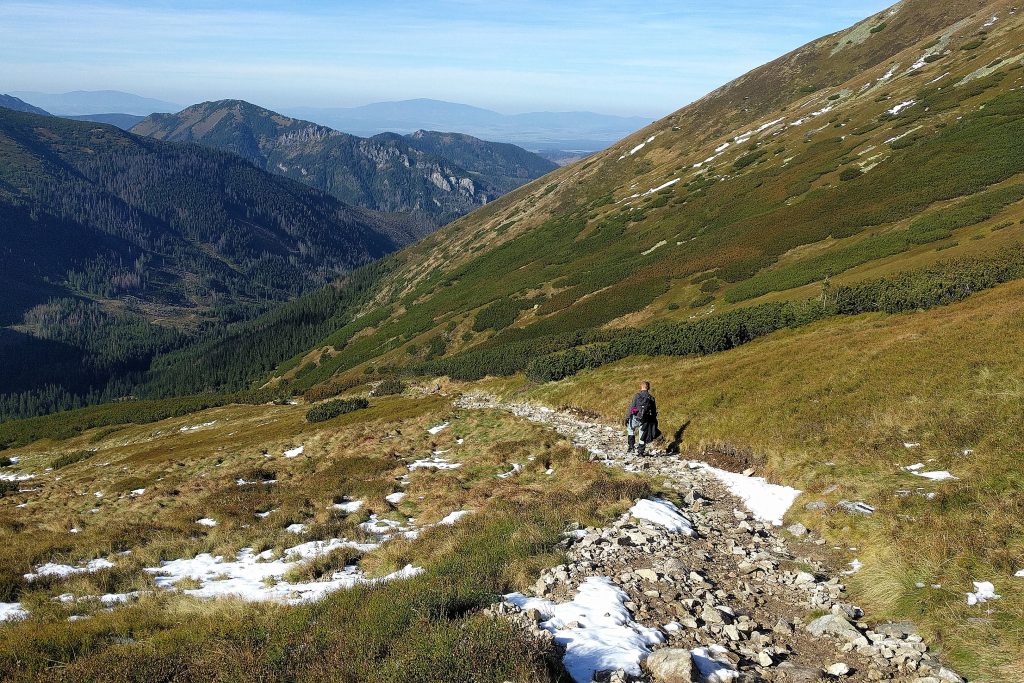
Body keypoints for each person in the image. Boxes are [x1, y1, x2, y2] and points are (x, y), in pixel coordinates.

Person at [625, 381, 659, 456]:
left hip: (635, 417)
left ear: (641, 387)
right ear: (648, 388)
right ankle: (640, 452)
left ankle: (631, 447)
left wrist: (627, 417)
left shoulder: (637, 396)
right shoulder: (651, 398)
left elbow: (632, 407)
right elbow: (653, 411)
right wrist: (653, 421)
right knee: (642, 434)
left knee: (630, 429)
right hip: (645, 419)